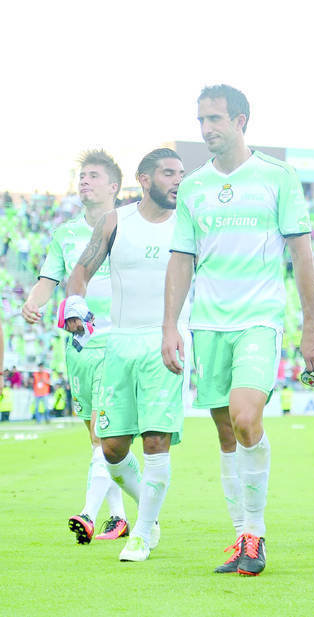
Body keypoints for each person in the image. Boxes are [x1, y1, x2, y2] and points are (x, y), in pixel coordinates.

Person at [162, 84, 314, 576]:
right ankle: (240, 538)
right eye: (201, 120)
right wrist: (170, 325)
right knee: (226, 432)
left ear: (241, 121)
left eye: (215, 118)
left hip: (259, 318)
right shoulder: (194, 186)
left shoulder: (277, 176)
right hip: (207, 323)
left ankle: (255, 532)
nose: (206, 128)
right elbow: (182, 258)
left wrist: (311, 327)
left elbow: (302, 254)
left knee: (246, 418)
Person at [65, 147, 187, 562]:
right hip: (119, 344)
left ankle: (141, 533)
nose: (177, 180)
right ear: (145, 179)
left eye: (181, 173)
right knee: (113, 448)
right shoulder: (116, 221)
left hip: (164, 343)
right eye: (168, 173)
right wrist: (75, 304)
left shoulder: (187, 226)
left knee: (155, 440)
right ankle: (149, 515)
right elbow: (80, 271)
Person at [21, 149, 127, 543]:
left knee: (104, 431)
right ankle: (119, 516)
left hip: (117, 342)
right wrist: (33, 303)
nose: (85, 181)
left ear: (113, 186)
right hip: (80, 346)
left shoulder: (129, 226)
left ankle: (88, 513)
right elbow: (48, 280)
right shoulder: (65, 233)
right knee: (98, 437)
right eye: (82, 176)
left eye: (93, 176)